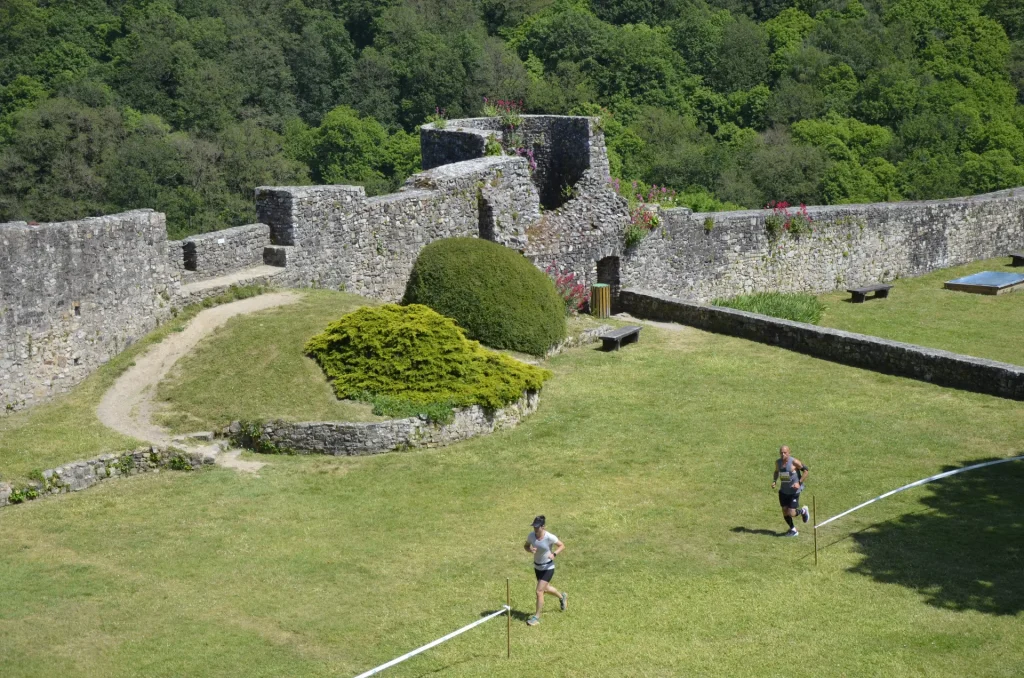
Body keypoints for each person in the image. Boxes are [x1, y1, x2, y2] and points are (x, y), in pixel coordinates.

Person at [523, 515, 566, 626]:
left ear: (543, 527)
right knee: (545, 589)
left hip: (548, 567)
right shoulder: (531, 536)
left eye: (537, 527)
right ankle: (562, 597)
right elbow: (526, 546)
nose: (535, 529)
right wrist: (530, 549)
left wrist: (554, 554)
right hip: (537, 567)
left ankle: (536, 617)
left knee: (539, 591)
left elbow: (561, 545)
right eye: (534, 527)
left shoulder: (549, 537)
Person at [772, 445, 810, 536]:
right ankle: (793, 530)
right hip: (784, 491)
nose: (783, 454)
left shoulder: (794, 462)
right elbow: (777, 471)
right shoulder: (778, 462)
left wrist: (799, 483)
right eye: (781, 453)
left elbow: (806, 471)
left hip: (794, 491)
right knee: (784, 511)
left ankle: (803, 511)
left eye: (785, 453)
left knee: (791, 513)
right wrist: (774, 481)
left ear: (789, 453)